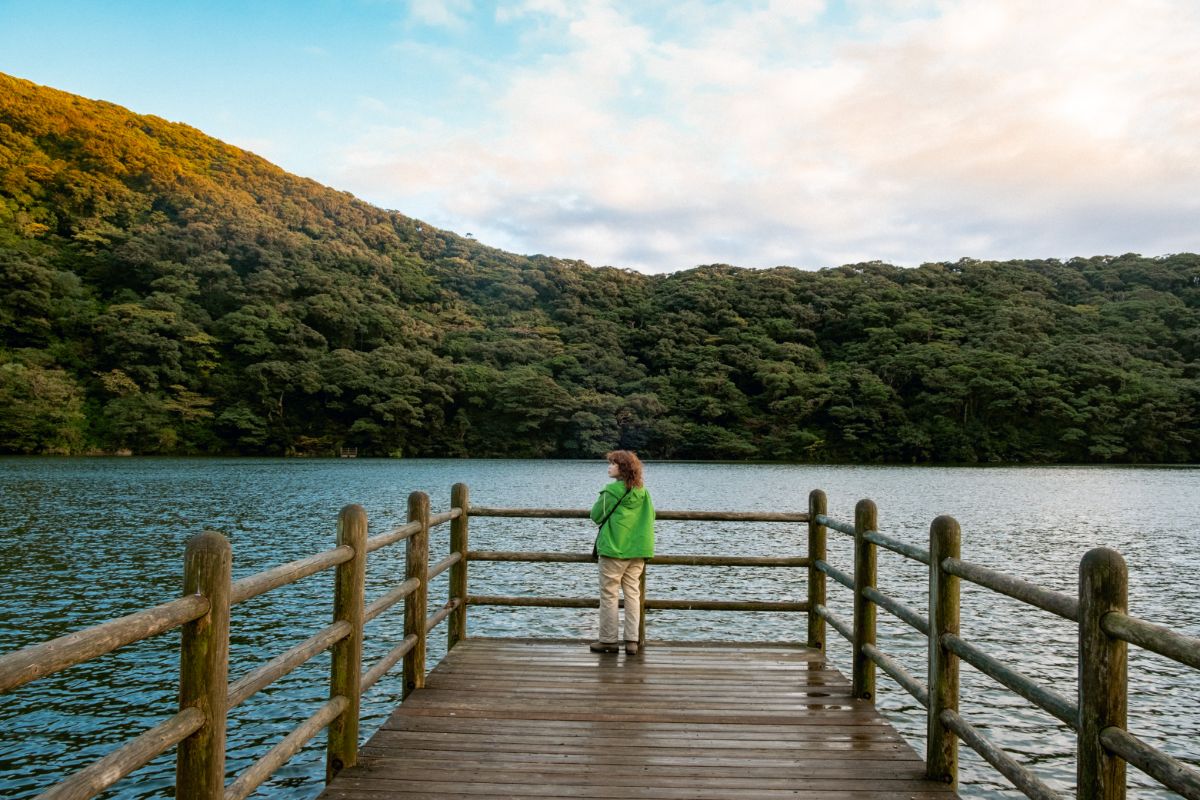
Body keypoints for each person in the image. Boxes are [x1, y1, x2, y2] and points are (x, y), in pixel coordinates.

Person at [589, 450, 655, 656]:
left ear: (622, 468)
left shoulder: (611, 491)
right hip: (638, 550)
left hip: (614, 550)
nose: (609, 467)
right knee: (633, 594)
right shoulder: (642, 492)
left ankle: (608, 640)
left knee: (609, 595)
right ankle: (632, 641)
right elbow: (651, 515)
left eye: (612, 464)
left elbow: (596, 516)